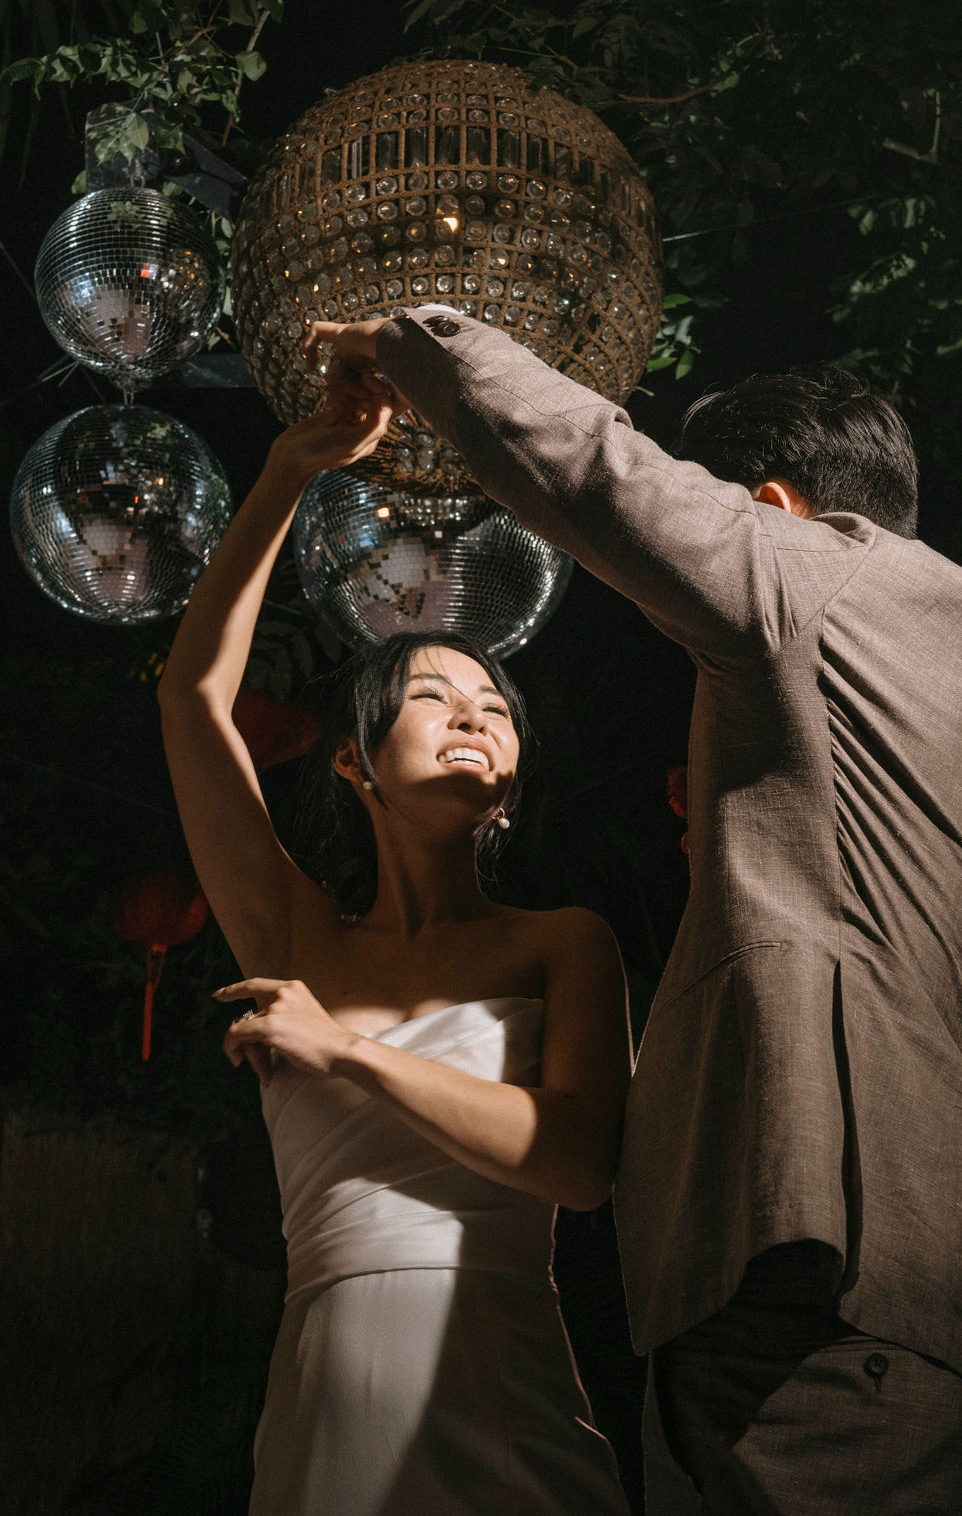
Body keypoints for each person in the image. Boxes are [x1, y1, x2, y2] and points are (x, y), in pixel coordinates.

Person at [306, 307, 962, 1514]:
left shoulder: (811, 568)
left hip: (808, 1263)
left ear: (774, 507)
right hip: (954, 1299)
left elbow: (601, 472)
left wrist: (417, 343)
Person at [156, 383, 633, 1515]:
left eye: (495, 708)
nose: (473, 715)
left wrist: (346, 1051)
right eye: (432, 696)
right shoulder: (295, 936)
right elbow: (191, 698)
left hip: (500, 1378)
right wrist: (288, 470)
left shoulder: (565, 944)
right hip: (327, 1394)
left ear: (511, 781)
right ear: (353, 762)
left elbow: (578, 1164)